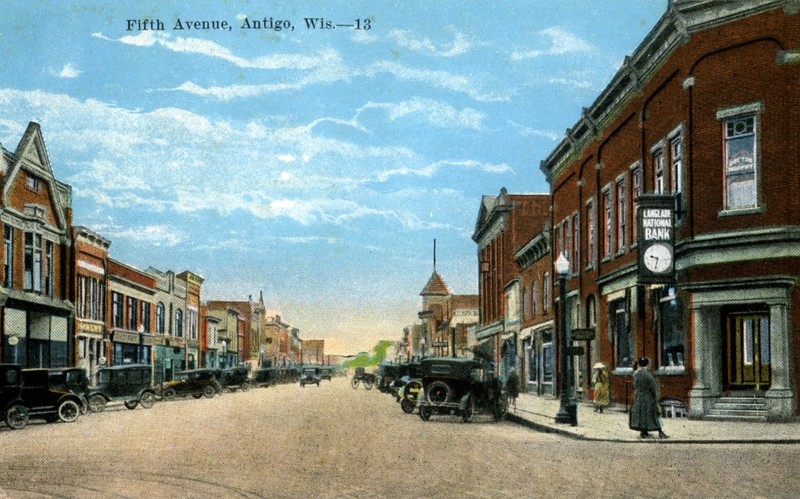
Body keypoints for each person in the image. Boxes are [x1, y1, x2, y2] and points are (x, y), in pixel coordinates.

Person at [629, 357, 668, 439]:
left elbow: (634, 385)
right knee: (653, 414)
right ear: (647, 364)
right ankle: (660, 432)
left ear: (639, 364)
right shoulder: (648, 374)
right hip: (648, 397)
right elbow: (653, 387)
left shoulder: (636, 374)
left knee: (641, 414)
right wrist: (655, 396)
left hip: (638, 396)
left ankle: (644, 432)